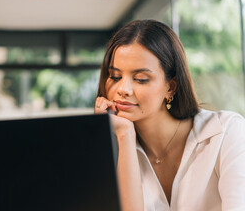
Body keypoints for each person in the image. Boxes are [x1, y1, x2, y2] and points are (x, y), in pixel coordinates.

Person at [95, 19, 245, 211]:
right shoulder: (112, 152)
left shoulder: (227, 133)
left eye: (141, 79)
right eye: (115, 77)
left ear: (171, 87)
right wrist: (125, 136)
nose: (123, 89)